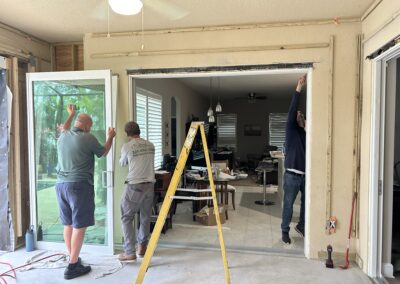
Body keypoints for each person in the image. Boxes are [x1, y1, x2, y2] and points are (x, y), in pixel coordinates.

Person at [55, 104, 116, 279]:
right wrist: (110, 137)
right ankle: (73, 266)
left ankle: (73, 258)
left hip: (60, 186)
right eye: (90, 125)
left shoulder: (63, 135)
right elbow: (103, 152)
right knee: (79, 225)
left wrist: (71, 114)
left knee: (68, 224)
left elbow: (66, 126)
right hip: (79, 186)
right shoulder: (88, 138)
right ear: (87, 126)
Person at [118, 121, 155, 262]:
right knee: (145, 217)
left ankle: (129, 252)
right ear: (139, 131)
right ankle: (142, 247)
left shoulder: (127, 146)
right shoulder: (151, 145)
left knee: (126, 218)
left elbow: (123, 163)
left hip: (134, 185)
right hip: (150, 185)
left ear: (127, 134)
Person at [281, 75, 306, 244]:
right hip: (291, 175)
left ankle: (302, 225)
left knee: (307, 203)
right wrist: (299, 88)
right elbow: (292, 110)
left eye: (301, 114)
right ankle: (285, 230)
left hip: (305, 175)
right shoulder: (291, 130)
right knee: (289, 205)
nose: (298, 114)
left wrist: (305, 126)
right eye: (297, 114)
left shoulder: (306, 134)